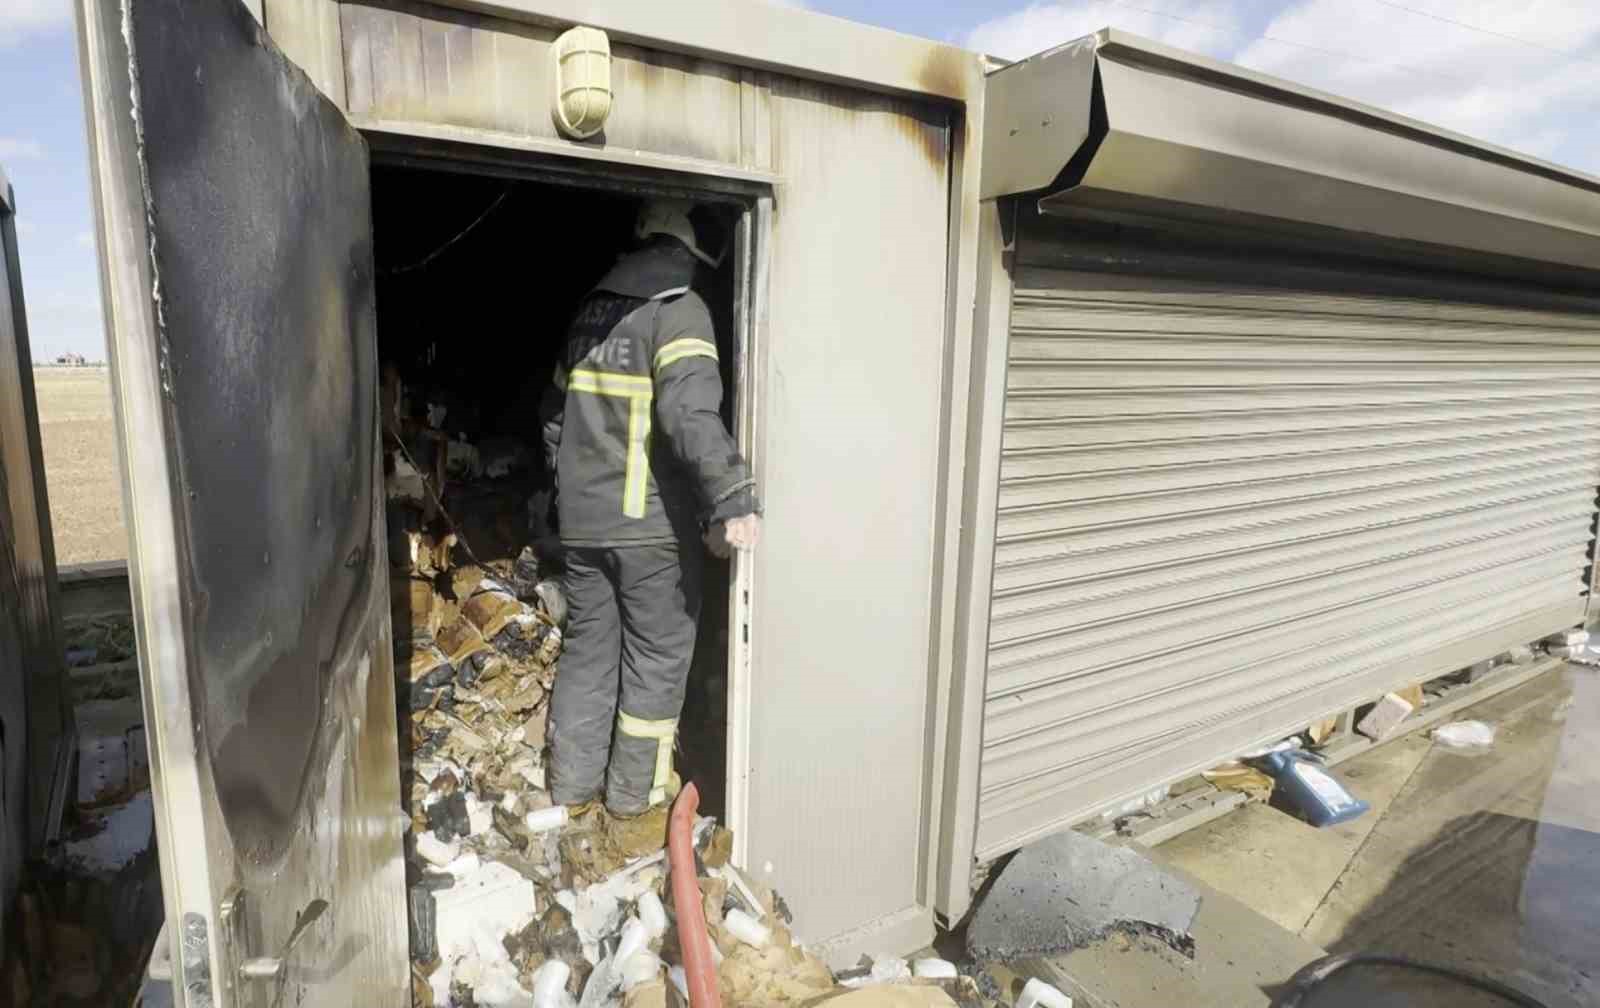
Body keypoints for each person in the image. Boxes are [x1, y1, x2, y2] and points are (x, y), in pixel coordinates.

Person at [541, 199, 760, 818]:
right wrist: (732, 496)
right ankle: (630, 807)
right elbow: (688, 415)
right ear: (688, 247)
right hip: (648, 532)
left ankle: (570, 793)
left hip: (583, 531)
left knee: (587, 653)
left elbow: (555, 421)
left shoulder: (590, 313)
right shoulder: (679, 309)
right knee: (656, 663)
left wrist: (567, 506)